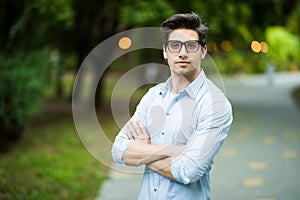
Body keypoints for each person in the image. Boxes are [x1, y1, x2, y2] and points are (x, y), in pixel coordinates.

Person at [112, 12, 233, 200]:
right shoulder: (153, 96)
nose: (182, 53)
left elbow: (187, 171)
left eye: (191, 46)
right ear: (165, 51)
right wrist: (171, 149)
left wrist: (144, 150)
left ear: (203, 51)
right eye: (175, 45)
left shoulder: (215, 104)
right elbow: (119, 150)